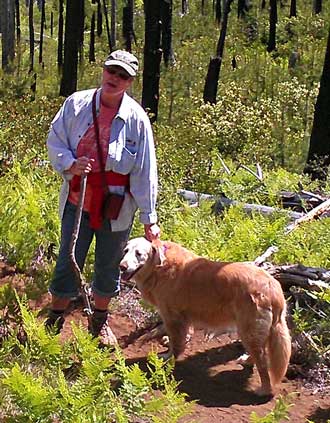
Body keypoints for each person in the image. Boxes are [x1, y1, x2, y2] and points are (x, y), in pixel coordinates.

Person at [46, 50, 160, 345]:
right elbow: (55, 139)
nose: (115, 78)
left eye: (123, 75)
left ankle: (98, 321)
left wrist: (150, 218)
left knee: (110, 265)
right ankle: (54, 321)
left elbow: (144, 170)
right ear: (104, 70)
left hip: (116, 206)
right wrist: (70, 163)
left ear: (130, 81)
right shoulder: (77, 104)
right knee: (68, 260)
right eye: (112, 71)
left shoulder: (136, 119)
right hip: (77, 199)